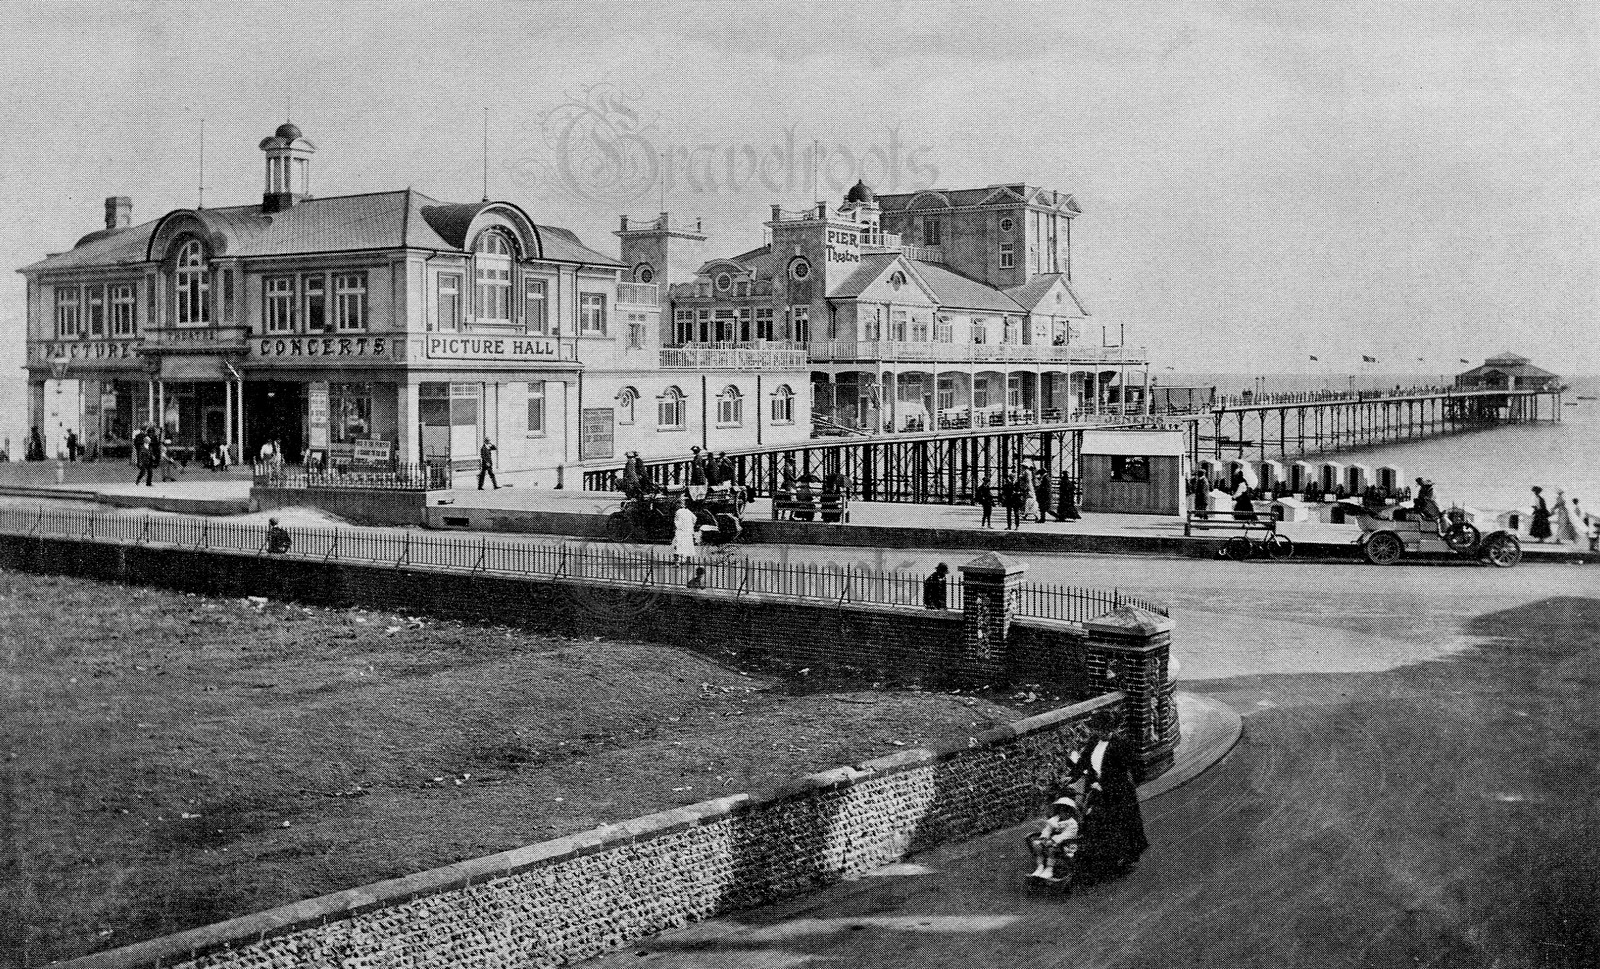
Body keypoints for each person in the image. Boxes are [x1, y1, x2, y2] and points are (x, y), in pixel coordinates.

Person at [1065, 734, 1149, 876]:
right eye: (1097, 729)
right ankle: (1098, 859)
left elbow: (1128, 768)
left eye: (1103, 728)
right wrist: (1072, 776)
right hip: (1096, 788)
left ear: (1111, 728)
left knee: (1117, 824)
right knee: (1092, 820)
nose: (1100, 732)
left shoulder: (1120, 744)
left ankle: (1122, 858)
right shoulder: (1093, 741)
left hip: (1117, 791)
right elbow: (1083, 761)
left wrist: (1106, 785)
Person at [1026, 797, 1082, 880]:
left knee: (1051, 848)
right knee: (1037, 845)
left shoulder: (1072, 824)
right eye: (1061, 810)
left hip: (1067, 844)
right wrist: (1044, 838)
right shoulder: (1055, 819)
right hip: (1052, 841)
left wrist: (1052, 841)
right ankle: (1040, 867)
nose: (1063, 813)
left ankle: (1049, 869)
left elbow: (1066, 836)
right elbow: (1047, 829)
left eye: (1066, 811)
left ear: (1070, 812)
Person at [672, 496, 697, 562]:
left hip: (681, 530)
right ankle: (688, 559)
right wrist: (691, 525)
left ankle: (677, 561)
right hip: (688, 531)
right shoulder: (688, 511)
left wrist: (677, 527)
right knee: (688, 544)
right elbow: (695, 518)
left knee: (679, 544)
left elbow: (676, 521)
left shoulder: (678, 511)